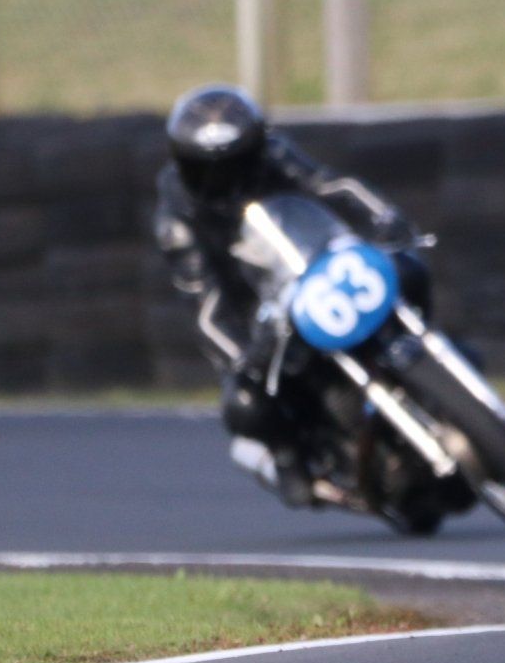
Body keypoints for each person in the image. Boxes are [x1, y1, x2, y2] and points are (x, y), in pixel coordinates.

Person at [153, 83, 424, 507]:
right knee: (245, 402)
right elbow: (206, 307)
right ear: (183, 165)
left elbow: (333, 186)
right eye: (208, 170)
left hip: (316, 267)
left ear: (258, 146)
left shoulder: (276, 156)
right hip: (262, 314)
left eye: (239, 163)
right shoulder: (178, 221)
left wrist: (385, 220)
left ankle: (424, 353)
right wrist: (243, 356)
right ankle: (288, 460)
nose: (227, 180)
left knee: (408, 269)